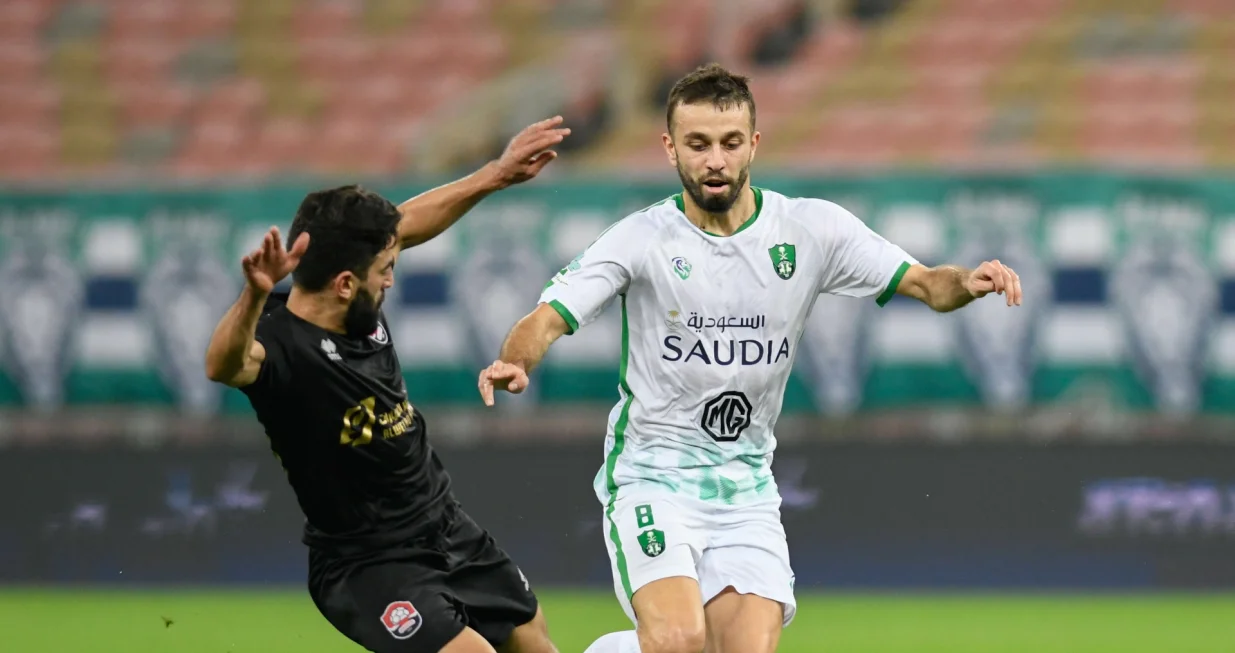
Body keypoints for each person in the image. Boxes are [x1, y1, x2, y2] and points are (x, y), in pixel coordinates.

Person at [476, 65, 1023, 653]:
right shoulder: (640, 239)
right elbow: (549, 316)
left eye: (730, 143)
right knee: (680, 642)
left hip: (745, 489)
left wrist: (970, 280)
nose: (715, 159)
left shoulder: (812, 230)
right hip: (653, 479)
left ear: (753, 145)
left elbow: (927, 285)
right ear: (670, 149)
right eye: (698, 144)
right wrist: (516, 360)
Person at [204, 117, 572, 653]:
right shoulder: (280, 347)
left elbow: (408, 223)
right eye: (386, 270)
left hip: (444, 523)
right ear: (345, 283)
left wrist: (495, 175)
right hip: (370, 564)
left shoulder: (354, 302)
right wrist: (254, 296)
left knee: (534, 642)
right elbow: (222, 365)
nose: (392, 278)